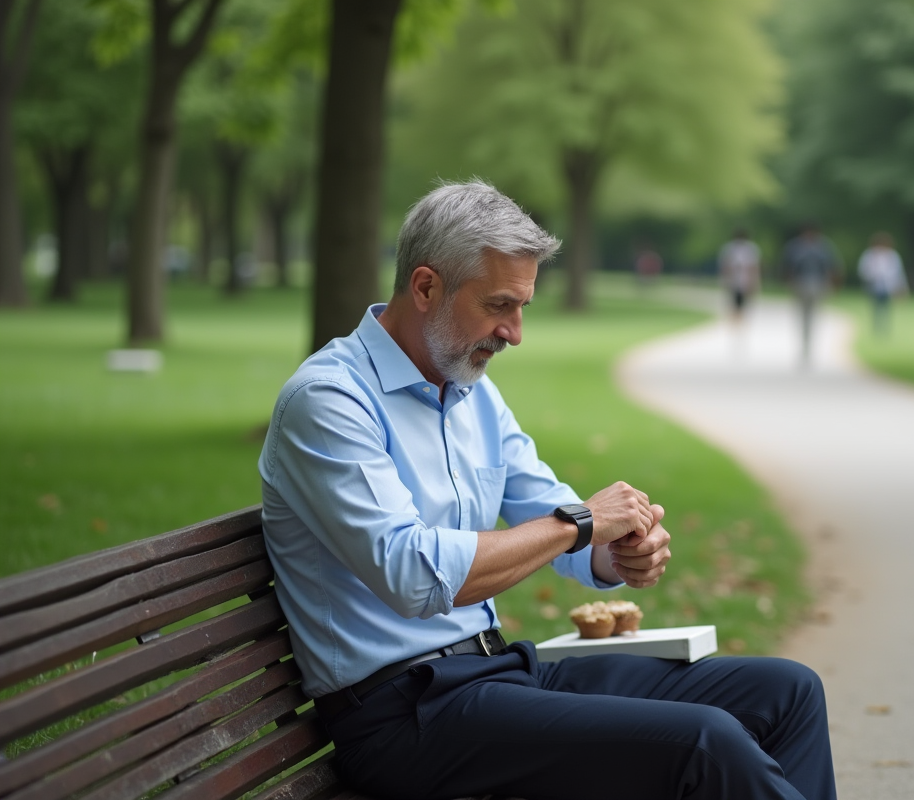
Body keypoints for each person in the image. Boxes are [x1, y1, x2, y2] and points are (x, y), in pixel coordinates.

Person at [258, 182, 836, 800]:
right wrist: (580, 523)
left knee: (788, 692)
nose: (515, 332)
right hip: (403, 716)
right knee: (705, 743)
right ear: (425, 288)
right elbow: (413, 576)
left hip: (495, 675)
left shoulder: (472, 392)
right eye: (500, 305)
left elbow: (554, 515)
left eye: (523, 306)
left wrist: (616, 552)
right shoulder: (330, 400)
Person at [781, 223, 841, 365]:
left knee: (813, 316)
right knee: (802, 316)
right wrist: (789, 282)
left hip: (818, 284)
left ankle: (810, 346)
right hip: (800, 284)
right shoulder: (795, 247)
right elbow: (787, 266)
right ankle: (804, 346)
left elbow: (832, 266)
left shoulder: (823, 246)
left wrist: (833, 284)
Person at [856, 232, 908, 337]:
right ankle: (876, 327)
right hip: (873, 286)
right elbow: (863, 270)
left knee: (886, 308)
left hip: (888, 286)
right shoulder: (869, 255)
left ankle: (884, 329)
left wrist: (901, 287)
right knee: (875, 308)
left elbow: (898, 273)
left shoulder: (893, 256)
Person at [718, 228, 762, 324]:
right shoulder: (730, 249)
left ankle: (739, 320)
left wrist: (753, 281)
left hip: (745, 280)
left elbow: (754, 267)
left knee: (744, 303)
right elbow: (726, 266)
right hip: (734, 281)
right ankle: (736, 320)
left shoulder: (750, 249)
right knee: (734, 303)